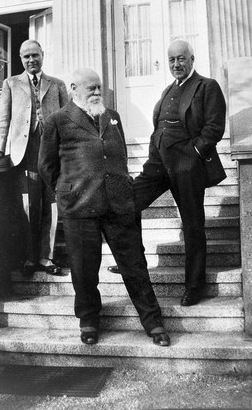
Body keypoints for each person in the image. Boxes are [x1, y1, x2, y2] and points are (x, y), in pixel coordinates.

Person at [38, 67, 170, 346]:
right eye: (91, 88)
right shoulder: (57, 121)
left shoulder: (113, 117)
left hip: (119, 203)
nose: (98, 92)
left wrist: (125, 188)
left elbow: (118, 155)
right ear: (74, 88)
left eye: (99, 87)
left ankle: (153, 323)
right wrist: (68, 192)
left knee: (134, 265)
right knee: (84, 270)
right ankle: (88, 321)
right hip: (80, 205)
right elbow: (46, 166)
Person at [108, 39, 226, 307]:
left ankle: (194, 286)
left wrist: (195, 154)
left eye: (181, 59)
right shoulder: (166, 91)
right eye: (172, 60)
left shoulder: (206, 86)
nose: (176, 64)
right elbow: (157, 127)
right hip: (159, 164)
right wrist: (153, 156)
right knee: (127, 203)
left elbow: (214, 126)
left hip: (187, 164)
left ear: (192, 60)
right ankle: (135, 261)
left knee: (193, 226)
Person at [0, 39, 68, 276]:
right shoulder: (11, 84)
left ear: (43, 54)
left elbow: (68, 120)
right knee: (28, 206)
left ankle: (46, 257)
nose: (31, 60)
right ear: (21, 60)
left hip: (52, 153)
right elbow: (2, 118)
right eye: (26, 57)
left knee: (51, 205)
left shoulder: (57, 85)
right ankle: (29, 258)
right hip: (25, 152)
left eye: (35, 55)